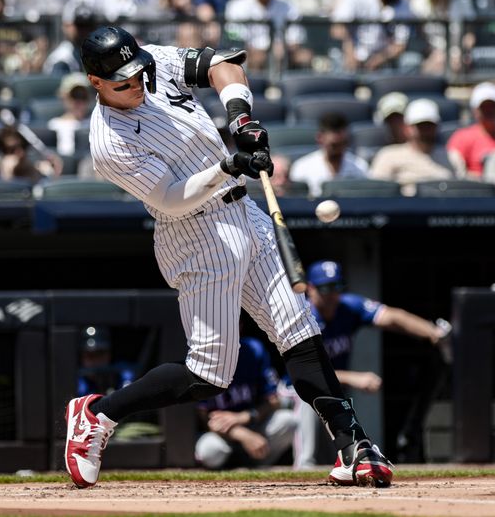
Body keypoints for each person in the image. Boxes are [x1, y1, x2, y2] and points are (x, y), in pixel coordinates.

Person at [64, 25, 393, 489]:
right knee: (209, 374)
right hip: (194, 233)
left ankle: (353, 443)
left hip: (245, 213)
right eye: (122, 81)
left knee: (299, 330)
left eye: (137, 72)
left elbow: (223, 63)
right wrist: (228, 166)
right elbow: (171, 199)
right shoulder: (108, 143)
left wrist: (240, 119)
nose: (135, 83)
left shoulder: (152, 62)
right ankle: (98, 413)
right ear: (96, 83)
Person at [293, 260, 452, 468]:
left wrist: (434, 334)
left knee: (336, 455)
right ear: (311, 289)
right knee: (309, 406)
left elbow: (394, 317)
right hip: (295, 395)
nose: (331, 295)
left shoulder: (348, 307)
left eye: (336, 287)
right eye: (324, 288)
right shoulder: (303, 316)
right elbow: (306, 371)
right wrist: (353, 378)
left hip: (330, 396)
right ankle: (303, 464)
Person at [195, 334, 297, 469]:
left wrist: (243, 417)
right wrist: (241, 434)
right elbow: (204, 417)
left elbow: (273, 401)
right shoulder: (202, 356)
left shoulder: (254, 349)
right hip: (222, 434)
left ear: (240, 326)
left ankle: (259, 469)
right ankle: (228, 472)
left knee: (288, 421)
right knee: (209, 449)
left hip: (254, 425)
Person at [369, 98, 462, 196]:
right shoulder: (388, 155)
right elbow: (377, 190)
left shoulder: (452, 157)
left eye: (429, 125)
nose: (425, 130)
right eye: (420, 125)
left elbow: (462, 189)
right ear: (407, 127)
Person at [224, 0, 311, 72]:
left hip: (285, 54)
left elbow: (295, 40)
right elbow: (237, 43)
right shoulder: (236, 6)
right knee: (257, 58)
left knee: (304, 57)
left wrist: (281, 48)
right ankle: (255, 85)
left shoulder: (288, 6)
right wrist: (266, 52)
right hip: (250, 56)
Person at [331, 0, 412, 72]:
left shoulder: (403, 5)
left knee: (409, 62)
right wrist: (350, 52)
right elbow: (337, 27)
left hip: (383, 63)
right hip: (350, 56)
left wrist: (379, 59)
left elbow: (400, 45)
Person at [289, 112, 368, 197]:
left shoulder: (360, 166)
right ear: (320, 138)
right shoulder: (302, 167)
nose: (337, 149)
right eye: (333, 145)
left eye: (341, 143)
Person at [446, 82, 495, 178]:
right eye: (484, 107)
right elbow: (457, 171)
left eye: (492, 106)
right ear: (475, 110)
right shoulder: (462, 137)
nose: (489, 111)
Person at [408, 0, 475, 75]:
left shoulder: (463, 0)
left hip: (459, 58)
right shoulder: (419, 1)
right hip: (430, 59)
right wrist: (437, 57)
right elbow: (418, 40)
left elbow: (469, 36)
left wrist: (459, 54)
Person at [43, 3, 98, 75]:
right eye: (80, 26)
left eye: (88, 26)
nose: (85, 31)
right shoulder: (62, 59)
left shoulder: (92, 52)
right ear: (65, 26)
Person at [47, 73, 93, 157]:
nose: (79, 101)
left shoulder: (97, 123)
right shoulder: (54, 125)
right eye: (75, 95)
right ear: (64, 97)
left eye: (83, 96)